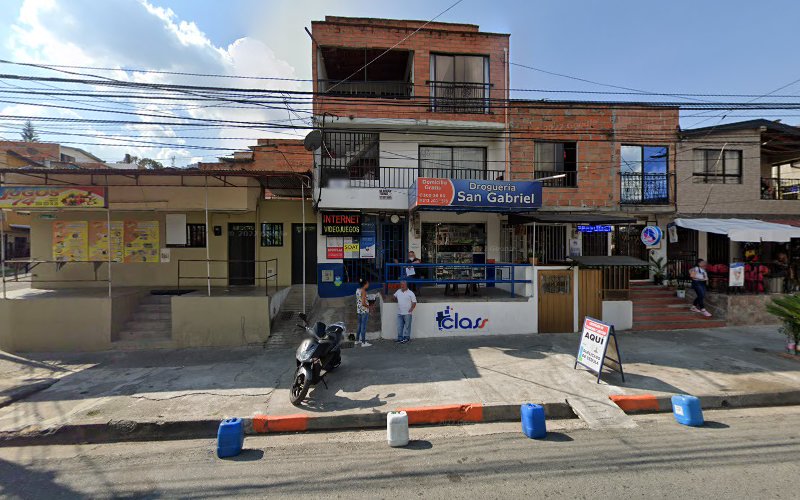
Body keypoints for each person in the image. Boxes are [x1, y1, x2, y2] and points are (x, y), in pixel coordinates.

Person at [394, 279, 417, 344]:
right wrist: (395, 299)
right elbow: (394, 296)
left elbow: (414, 302)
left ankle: (407, 338)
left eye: (403, 284)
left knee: (407, 326)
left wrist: (412, 308)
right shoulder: (398, 291)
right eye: (401, 284)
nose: (402, 286)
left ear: (406, 285)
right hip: (399, 313)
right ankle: (400, 338)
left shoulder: (411, 293)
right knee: (399, 326)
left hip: (407, 313)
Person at [355, 279, 372, 347]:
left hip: (359, 310)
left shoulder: (357, 290)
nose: (368, 285)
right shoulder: (364, 291)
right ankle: (363, 342)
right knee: (363, 326)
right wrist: (369, 307)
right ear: (364, 284)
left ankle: (357, 340)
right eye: (367, 283)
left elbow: (359, 301)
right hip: (364, 311)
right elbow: (363, 303)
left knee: (359, 325)